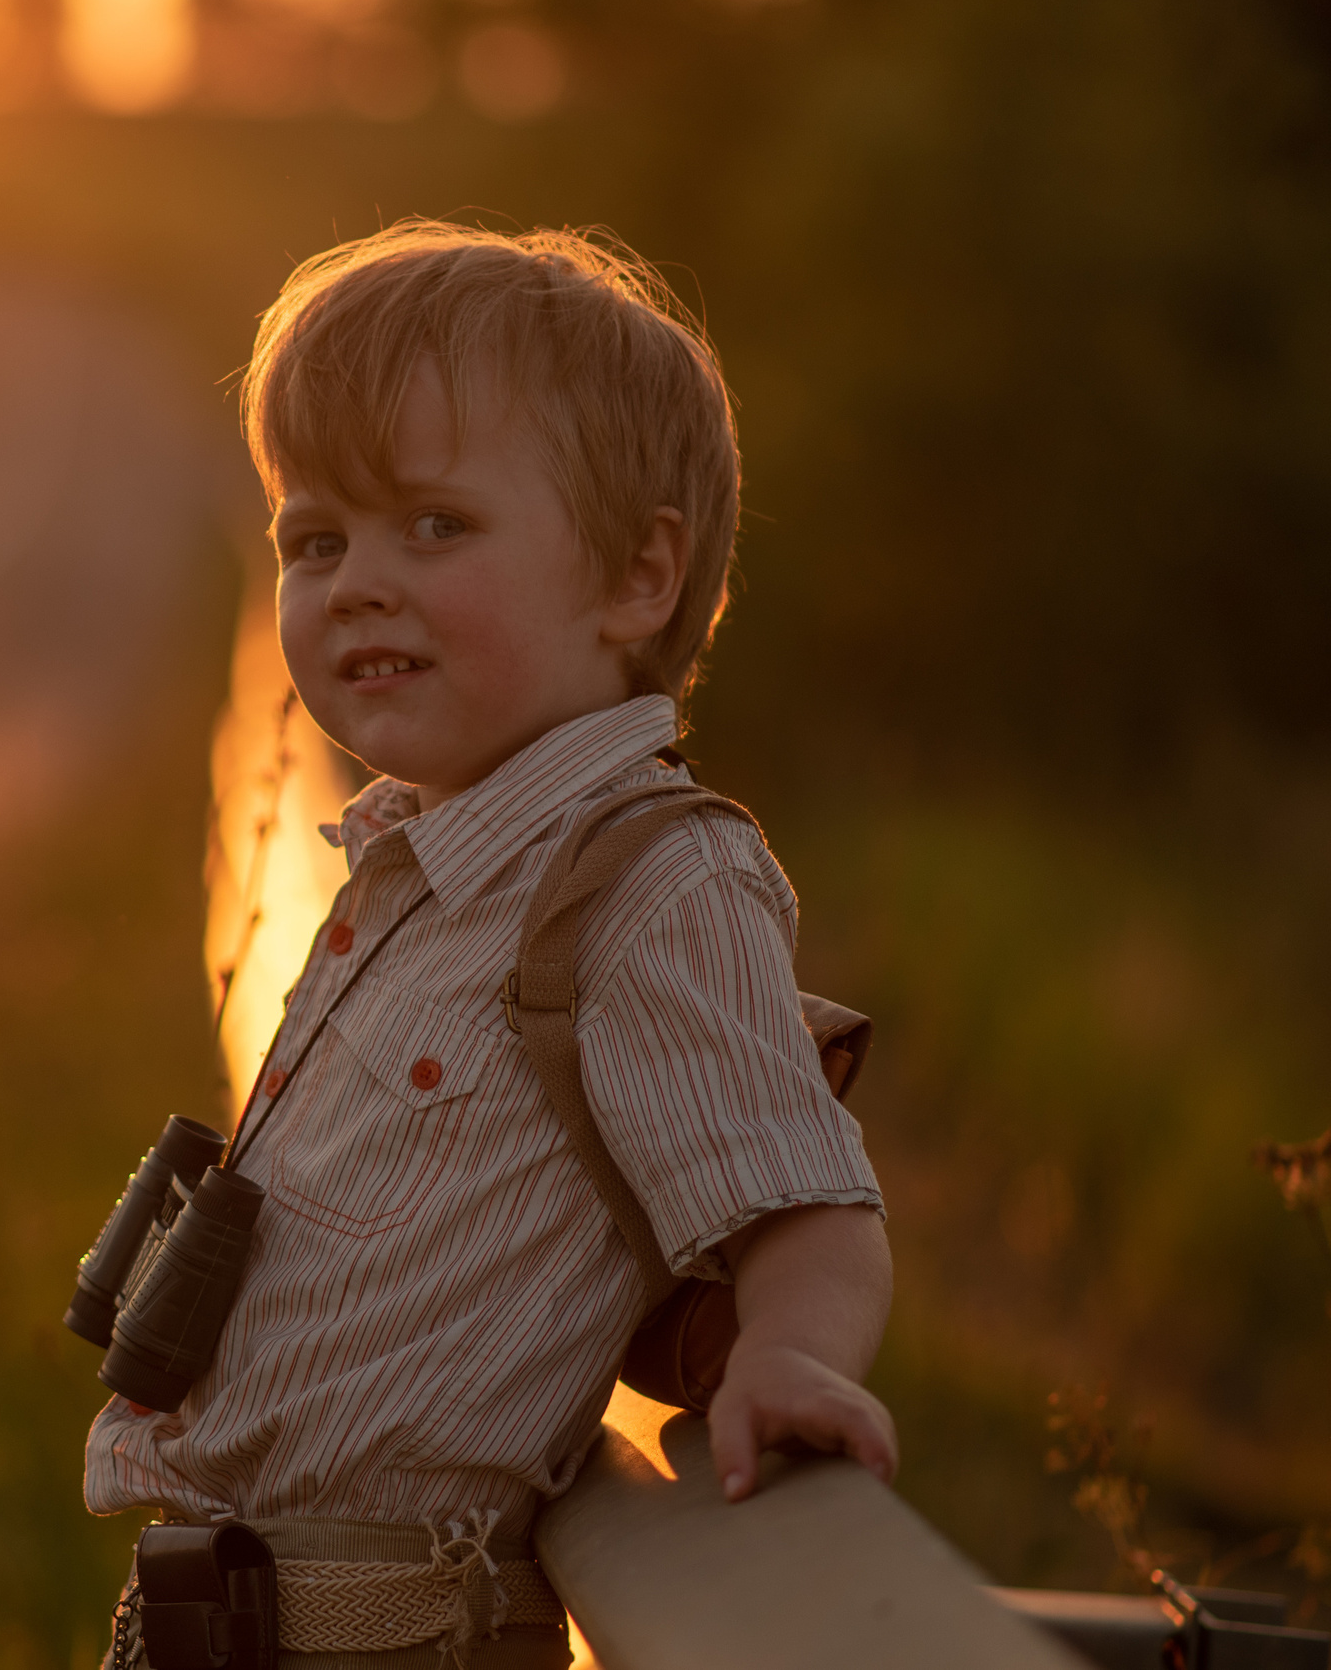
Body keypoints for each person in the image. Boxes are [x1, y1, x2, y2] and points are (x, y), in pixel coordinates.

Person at [87, 221, 895, 1669]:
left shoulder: (651, 880)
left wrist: (786, 1357)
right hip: (216, 1620)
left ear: (636, 578)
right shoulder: (414, 870)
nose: (357, 581)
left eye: (435, 526)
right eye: (314, 539)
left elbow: (805, 1200)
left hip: (392, 1634)